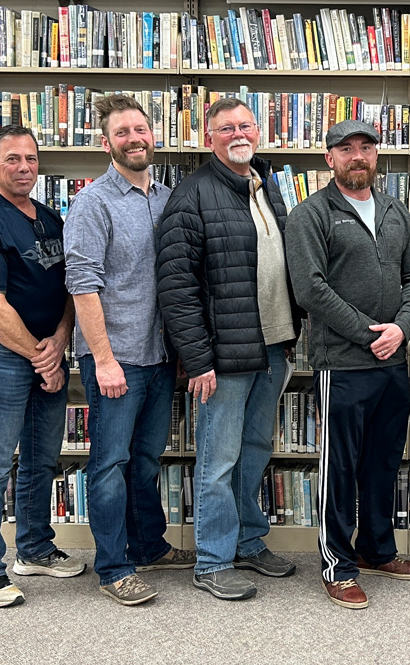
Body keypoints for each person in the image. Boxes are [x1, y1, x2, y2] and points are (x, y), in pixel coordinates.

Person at [156, 97, 303, 601]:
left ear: (258, 131)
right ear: (208, 137)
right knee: (218, 459)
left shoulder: (266, 184)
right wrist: (198, 359)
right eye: (225, 128)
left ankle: (247, 540)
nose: (237, 134)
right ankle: (214, 560)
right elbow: (177, 288)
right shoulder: (191, 195)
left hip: (273, 346)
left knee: (256, 451)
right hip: (223, 356)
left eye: (245, 125)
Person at [286, 119, 410, 610]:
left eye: (365, 147)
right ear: (329, 159)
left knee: (383, 463)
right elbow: (310, 289)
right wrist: (371, 334)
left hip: (393, 360)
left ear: (376, 155)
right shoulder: (311, 214)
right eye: (345, 148)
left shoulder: (394, 211)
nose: (356, 156)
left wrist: (402, 329)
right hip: (343, 363)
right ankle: (337, 566)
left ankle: (376, 550)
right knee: (340, 468)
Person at [65, 95, 196, 606]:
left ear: (153, 134)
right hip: (115, 357)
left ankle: (147, 545)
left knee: (145, 460)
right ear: (106, 142)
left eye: (140, 129)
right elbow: (83, 285)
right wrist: (102, 358)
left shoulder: (167, 198)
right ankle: (114, 566)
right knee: (109, 463)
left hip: (160, 356)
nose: (135, 138)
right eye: (122, 132)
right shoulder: (92, 203)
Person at [0, 125, 86, 608]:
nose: (23, 167)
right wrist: (43, 358)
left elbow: (73, 287)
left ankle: (34, 549)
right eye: (11, 159)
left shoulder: (51, 218)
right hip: (2, 354)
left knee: (41, 459)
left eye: (30, 159)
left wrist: (59, 340)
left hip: (47, 349)